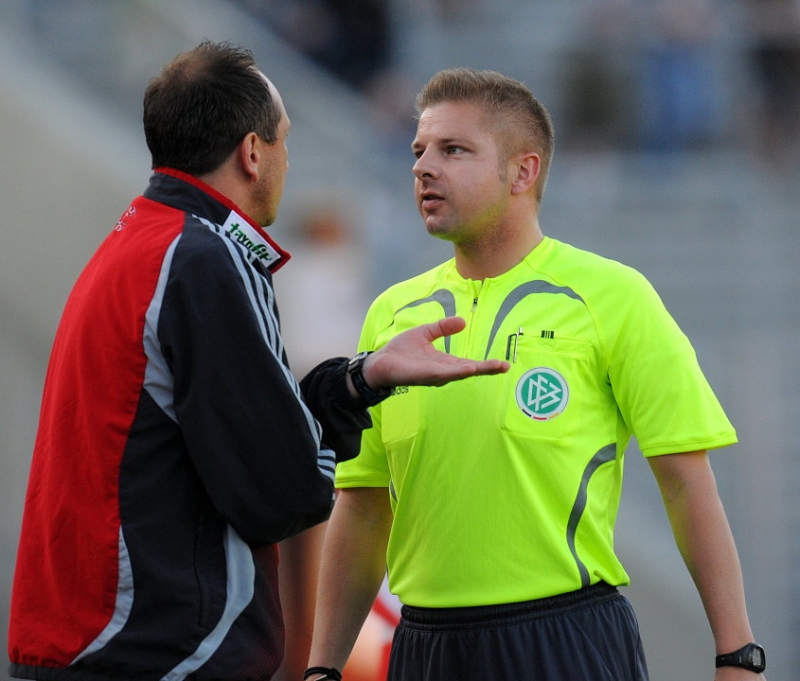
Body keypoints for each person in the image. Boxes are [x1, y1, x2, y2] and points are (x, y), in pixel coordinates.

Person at [5, 44, 508, 681]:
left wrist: (360, 378)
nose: (287, 161)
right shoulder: (205, 257)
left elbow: (220, 433)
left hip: (93, 646)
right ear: (251, 152)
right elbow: (282, 492)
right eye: (283, 141)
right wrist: (337, 420)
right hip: (158, 657)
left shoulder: (138, 241)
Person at [306, 68, 767, 680]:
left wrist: (737, 654)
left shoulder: (613, 296)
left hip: (565, 639)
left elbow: (686, 484)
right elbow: (362, 507)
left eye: (453, 150)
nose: (422, 167)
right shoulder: (392, 314)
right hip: (424, 648)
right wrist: (321, 669)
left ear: (523, 172)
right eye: (418, 150)